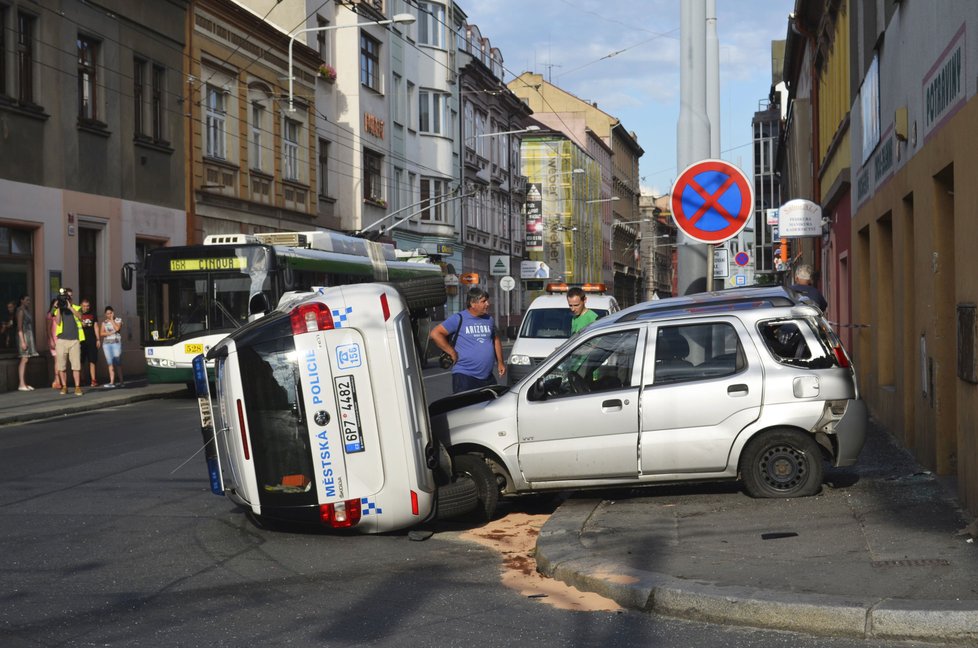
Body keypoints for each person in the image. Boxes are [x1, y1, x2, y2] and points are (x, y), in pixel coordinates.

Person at [430, 287, 505, 393]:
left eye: (487, 301)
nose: (487, 304)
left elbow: (496, 340)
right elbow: (435, 333)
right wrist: (451, 352)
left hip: (487, 376)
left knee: (490, 407)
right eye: (483, 301)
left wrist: (500, 362)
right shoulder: (458, 318)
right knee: (465, 408)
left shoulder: (489, 320)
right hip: (464, 376)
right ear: (473, 303)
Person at [54, 288, 85, 396]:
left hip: (74, 341)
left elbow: (80, 317)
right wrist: (58, 308)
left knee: (76, 365)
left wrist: (70, 307)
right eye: (68, 296)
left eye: (71, 296)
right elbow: (57, 322)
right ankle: (64, 387)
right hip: (62, 340)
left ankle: (77, 387)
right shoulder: (60, 309)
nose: (69, 297)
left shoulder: (76, 307)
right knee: (61, 366)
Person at [15, 295, 38, 391]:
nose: (29, 301)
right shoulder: (20, 311)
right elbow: (19, 327)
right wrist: (22, 341)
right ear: (22, 300)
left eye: (29, 300)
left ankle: (24, 383)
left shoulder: (26, 310)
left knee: (26, 359)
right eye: (27, 300)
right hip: (23, 336)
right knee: (24, 359)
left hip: (28, 335)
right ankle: (21, 383)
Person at [78, 298, 101, 386]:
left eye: (87, 306)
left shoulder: (93, 314)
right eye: (84, 306)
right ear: (81, 306)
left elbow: (96, 326)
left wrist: (98, 339)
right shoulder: (78, 314)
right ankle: (82, 379)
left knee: (92, 360)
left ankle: (93, 380)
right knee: (81, 361)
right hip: (81, 340)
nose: (86, 308)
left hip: (91, 339)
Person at [100, 306, 124, 387]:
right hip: (107, 344)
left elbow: (117, 328)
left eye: (110, 313)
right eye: (107, 314)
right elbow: (101, 333)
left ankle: (121, 382)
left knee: (118, 362)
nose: (109, 315)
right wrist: (109, 333)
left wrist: (112, 320)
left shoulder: (118, 320)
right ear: (105, 314)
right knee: (110, 363)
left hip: (116, 343)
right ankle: (112, 382)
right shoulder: (104, 322)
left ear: (113, 313)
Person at [46, 298, 62, 389]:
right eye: (55, 305)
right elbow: (47, 329)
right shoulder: (50, 315)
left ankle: (57, 380)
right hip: (54, 339)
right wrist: (51, 340)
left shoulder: (59, 314)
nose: (57, 306)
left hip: (61, 339)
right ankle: (57, 380)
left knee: (60, 361)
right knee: (57, 360)